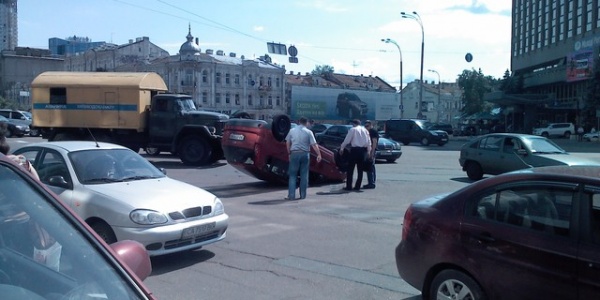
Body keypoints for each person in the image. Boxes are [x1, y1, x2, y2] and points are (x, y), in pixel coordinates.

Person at [285, 117, 321, 200]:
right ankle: (303, 195)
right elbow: (314, 145)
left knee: (293, 175)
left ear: (298, 122)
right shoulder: (309, 132)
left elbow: (287, 142)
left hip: (294, 153)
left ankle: (291, 195)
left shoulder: (292, 131)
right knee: (304, 175)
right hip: (305, 154)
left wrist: (289, 153)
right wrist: (319, 154)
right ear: (306, 123)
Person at [339, 119, 371, 191]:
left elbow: (347, 140)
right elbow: (369, 141)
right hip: (363, 151)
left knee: (350, 169)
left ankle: (349, 186)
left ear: (354, 124)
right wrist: (369, 151)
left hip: (354, 150)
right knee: (360, 170)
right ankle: (357, 186)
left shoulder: (353, 129)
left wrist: (342, 147)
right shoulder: (365, 130)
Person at [363, 121, 379, 189]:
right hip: (368, 150)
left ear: (370, 125)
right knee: (371, 167)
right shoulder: (367, 131)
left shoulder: (373, 132)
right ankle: (372, 181)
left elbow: (374, 142)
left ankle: (371, 183)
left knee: (370, 167)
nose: (366, 127)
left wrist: (372, 153)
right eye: (365, 126)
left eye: (367, 126)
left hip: (371, 151)